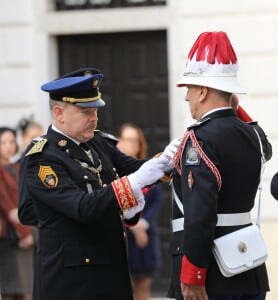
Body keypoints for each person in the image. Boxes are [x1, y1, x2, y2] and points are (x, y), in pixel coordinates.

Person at [18, 67, 179, 300]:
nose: (94, 118)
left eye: (95, 110)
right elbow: (82, 207)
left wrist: (167, 161)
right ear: (59, 113)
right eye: (85, 111)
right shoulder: (43, 158)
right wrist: (136, 181)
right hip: (72, 283)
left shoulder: (99, 143)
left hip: (110, 271)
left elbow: (135, 168)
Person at [167, 31, 272, 300]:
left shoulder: (199, 138)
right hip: (247, 267)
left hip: (212, 274)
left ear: (202, 91)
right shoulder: (253, 135)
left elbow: (201, 214)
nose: (187, 97)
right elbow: (265, 147)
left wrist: (193, 274)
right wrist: (231, 103)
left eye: (189, 89)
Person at [0, 127, 34, 300]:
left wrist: (28, 233)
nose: (8, 146)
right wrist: (24, 232)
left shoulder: (17, 166)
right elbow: (5, 203)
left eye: (12, 142)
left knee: (28, 290)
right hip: (10, 236)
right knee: (11, 289)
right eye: (4, 142)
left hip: (24, 234)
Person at [117, 123, 162, 300]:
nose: (131, 144)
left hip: (145, 236)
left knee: (143, 286)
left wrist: (143, 224)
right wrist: (133, 226)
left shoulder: (148, 169)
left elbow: (156, 200)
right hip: (123, 236)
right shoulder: (114, 170)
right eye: (127, 139)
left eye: (135, 140)